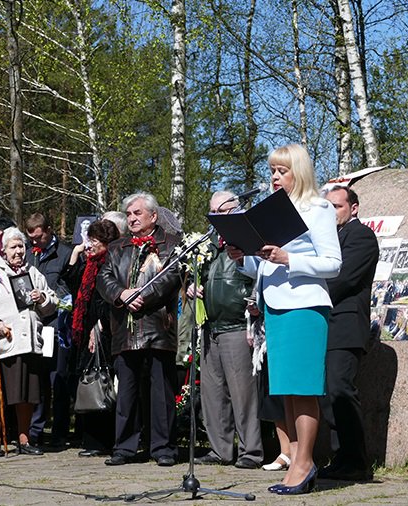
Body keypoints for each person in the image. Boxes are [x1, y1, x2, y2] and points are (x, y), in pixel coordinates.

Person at [227, 144, 342, 494]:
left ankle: (305, 463)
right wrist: (241, 257)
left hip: (305, 307)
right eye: (273, 171)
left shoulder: (318, 209)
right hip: (275, 307)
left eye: (282, 171)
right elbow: (264, 265)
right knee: (287, 392)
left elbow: (333, 264)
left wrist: (289, 258)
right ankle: (294, 460)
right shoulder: (270, 213)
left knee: (303, 389)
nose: (275, 177)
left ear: (299, 172)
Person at [96, 192, 182, 467]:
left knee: (161, 390)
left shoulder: (171, 244)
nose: (132, 218)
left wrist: (143, 294)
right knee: (128, 390)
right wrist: (122, 294)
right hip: (125, 328)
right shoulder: (117, 246)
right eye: (129, 214)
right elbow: (103, 277)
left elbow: (171, 274)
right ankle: (125, 447)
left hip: (158, 325)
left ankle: (163, 447)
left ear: (153, 216)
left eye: (137, 214)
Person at [0, 227, 57, 457]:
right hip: (2, 341)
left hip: (27, 342)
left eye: (21, 246)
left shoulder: (33, 271)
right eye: (13, 247)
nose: (18, 251)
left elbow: (52, 302)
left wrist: (43, 298)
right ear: (3, 249)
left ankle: (24, 438)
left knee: (26, 393)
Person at [189, 191, 262, 469]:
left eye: (223, 210)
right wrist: (192, 286)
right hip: (210, 326)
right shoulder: (207, 244)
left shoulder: (249, 238)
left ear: (237, 209)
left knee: (243, 393)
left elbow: (260, 276)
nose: (217, 216)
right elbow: (199, 277)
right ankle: (221, 450)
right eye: (213, 212)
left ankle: (251, 452)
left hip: (236, 324)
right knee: (213, 393)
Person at [318, 186, 379, 482]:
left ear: (353, 208)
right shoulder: (328, 238)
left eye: (338, 207)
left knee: (341, 389)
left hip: (345, 324)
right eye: (327, 207)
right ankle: (341, 457)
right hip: (324, 324)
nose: (332, 213)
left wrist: (308, 291)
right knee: (330, 394)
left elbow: (343, 279)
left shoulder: (361, 236)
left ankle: (357, 461)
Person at [67, 219, 120, 457]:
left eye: (94, 241)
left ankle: (103, 440)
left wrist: (98, 326)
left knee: (102, 381)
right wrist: (76, 253)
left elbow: (107, 298)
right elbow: (72, 283)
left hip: (102, 329)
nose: (89, 245)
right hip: (86, 327)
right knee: (88, 380)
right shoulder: (89, 263)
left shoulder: (110, 262)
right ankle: (90, 439)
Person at [24, 213, 73, 447]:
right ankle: (35, 430)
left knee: (58, 380)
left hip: (57, 325)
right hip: (33, 324)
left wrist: (54, 301)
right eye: (31, 238)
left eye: (39, 237)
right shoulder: (26, 254)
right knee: (37, 380)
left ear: (49, 230)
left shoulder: (64, 253)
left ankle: (60, 432)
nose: (35, 242)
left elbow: (69, 288)